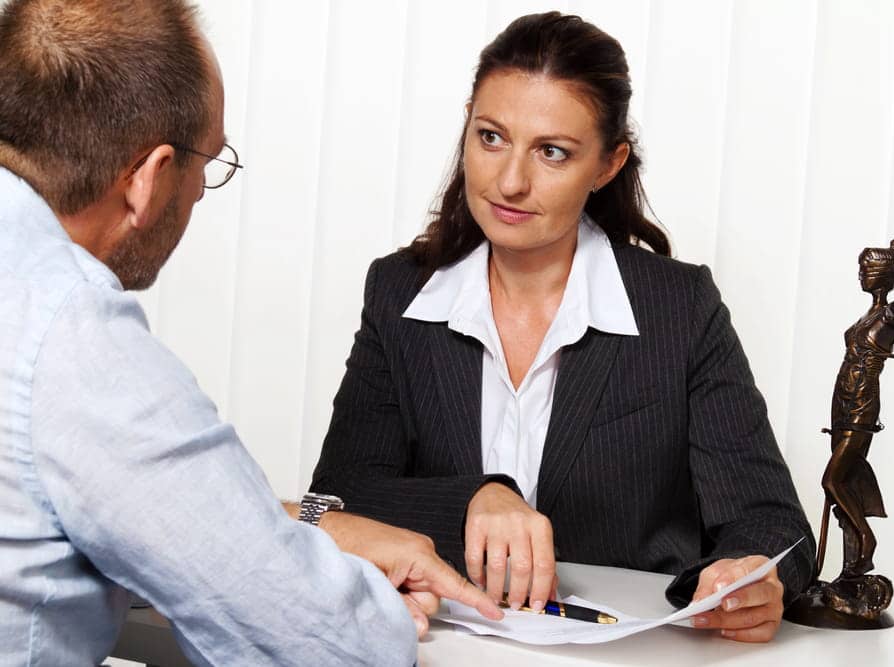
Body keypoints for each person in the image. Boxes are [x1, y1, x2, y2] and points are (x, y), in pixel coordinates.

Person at [0, 1, 499, 665]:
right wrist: (350, 594)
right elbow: (331, 641)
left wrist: (307, 525)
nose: (202, 189)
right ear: (148, 179)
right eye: (206, 161)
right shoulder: (74, 339)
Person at [311, 11, 816, 643]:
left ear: (607, 165)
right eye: (491, 137)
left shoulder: (678, 308)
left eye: (552, 152)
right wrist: (474, 498)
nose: (511, 181)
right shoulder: (400, 292)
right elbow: (334, 499)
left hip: (632, 653)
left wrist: (747, 576)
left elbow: (772, 521)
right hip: (448, 644)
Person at [820, 240, 894, 580]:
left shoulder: (890, 313)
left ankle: (867, 538)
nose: (861, 276)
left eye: (866, 270)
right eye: (861, 270)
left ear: (882, 276)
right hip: (842, 402)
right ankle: (851, 570)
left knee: (832, 480)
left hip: (862, 404)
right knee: (844, 486)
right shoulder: (869, 314)